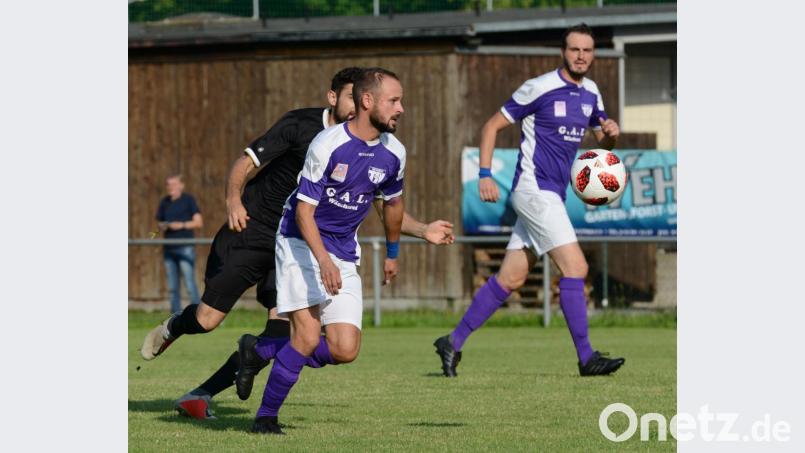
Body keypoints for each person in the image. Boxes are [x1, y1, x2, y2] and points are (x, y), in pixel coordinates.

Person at [141, 67, 454, 420]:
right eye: (350, 98)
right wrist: (233, 200)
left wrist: (423, 229)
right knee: (208, 319)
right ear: (333, 98)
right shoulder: (302, 127)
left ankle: (200, 395)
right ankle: (174, 327)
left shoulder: (370, 148)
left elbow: (385, 207)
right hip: (256, 230)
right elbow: (245, 162)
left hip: (297, 244)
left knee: (282, 334)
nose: (356, 106)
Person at [433, 23, 625, 378]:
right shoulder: (539, 87)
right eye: (574, 49)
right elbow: (491, 126)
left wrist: (611, 134)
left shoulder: (591, 93)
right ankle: (587, 358)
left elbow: (603, 142)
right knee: (576, 268)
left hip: (552, 194)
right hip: (533, 189)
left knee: (511, 278)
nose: (580, 56)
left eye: (587, 50)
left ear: (593, 54)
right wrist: (485, 174)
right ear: (563, 52)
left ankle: (452, 341)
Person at [235, 67, 407, 434]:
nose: (400, 108)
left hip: (342, 251)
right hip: (299, 240)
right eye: (393, 100)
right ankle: (265, 419)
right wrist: (323, 261)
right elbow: (304, 212)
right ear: (367, 101)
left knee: (345, 349)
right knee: (308, 337)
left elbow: (392, 205)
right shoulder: (327, 144)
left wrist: (393, 251)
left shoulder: (394, 152)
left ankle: (260, 350)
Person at [156, 174, 203, 314]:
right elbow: (158, 224)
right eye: (168, 184)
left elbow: (198, 223)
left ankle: (198, 315)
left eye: (174, 184)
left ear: (181, 185)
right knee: (172, 287)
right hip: (169, 248)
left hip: (185, 247)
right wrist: (163, 226)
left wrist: (181, 225)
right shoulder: (164, 202)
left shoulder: (188, 200)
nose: (171, 187)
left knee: (189, 283)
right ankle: (175, 316)